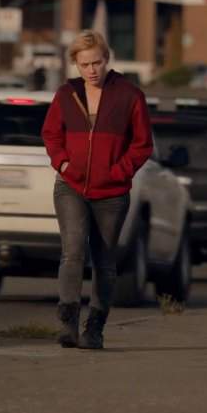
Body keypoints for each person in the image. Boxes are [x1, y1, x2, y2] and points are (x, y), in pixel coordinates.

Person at [41, 30, 153, 350]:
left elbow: (142, 144)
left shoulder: (130, 96)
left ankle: (95, 328)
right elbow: (51, 134)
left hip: (112, 192)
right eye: (84, 64)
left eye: (97, 62)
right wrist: (63, 164)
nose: (92, 70)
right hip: (71, 186)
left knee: (104, 261)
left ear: (107, 59)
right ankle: (68, 323)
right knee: (72, 251)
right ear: (75, 64)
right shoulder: (66, 94)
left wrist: (118, 172)